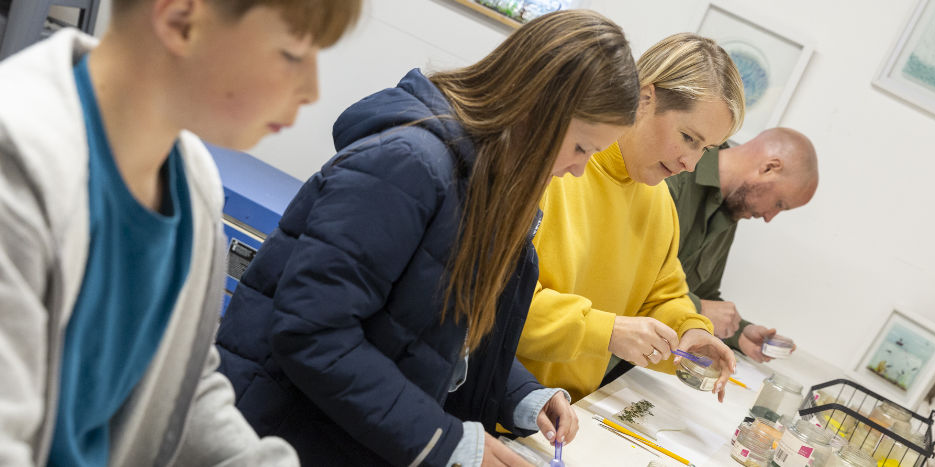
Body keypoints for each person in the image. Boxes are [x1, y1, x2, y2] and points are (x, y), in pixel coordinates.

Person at [214, 9, 639, 467]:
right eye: (581, 147)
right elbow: (313, 332)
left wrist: (521, 395)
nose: (578, 169)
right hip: (276, 437)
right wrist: (446, 439)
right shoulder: (408, 165)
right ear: (536, 108)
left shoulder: (487, 184)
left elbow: (435, 333)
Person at [0, 0, 361, 465]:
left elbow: (177, 390)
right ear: (180, 21)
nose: (311, 90)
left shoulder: (193, 184)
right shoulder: (18, 169)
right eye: (292, 55)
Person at [516, 33, 746, 404]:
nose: (691, 164)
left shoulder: (658, 200)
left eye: (706, 149)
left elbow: (662, 295)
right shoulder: (555, 168)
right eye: (688, 137)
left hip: (569, 415)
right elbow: (497, 303)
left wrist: (690, 332)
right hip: (497, 403)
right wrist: (607, 331)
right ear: (644, 99)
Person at [667, 128, 818, 362]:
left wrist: (738, 334)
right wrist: (698, 309)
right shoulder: (675, 173)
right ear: (769, 167)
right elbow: (626, 275)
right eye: (779, 203)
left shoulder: (732, 209)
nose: (769, 217)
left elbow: (704, 293)